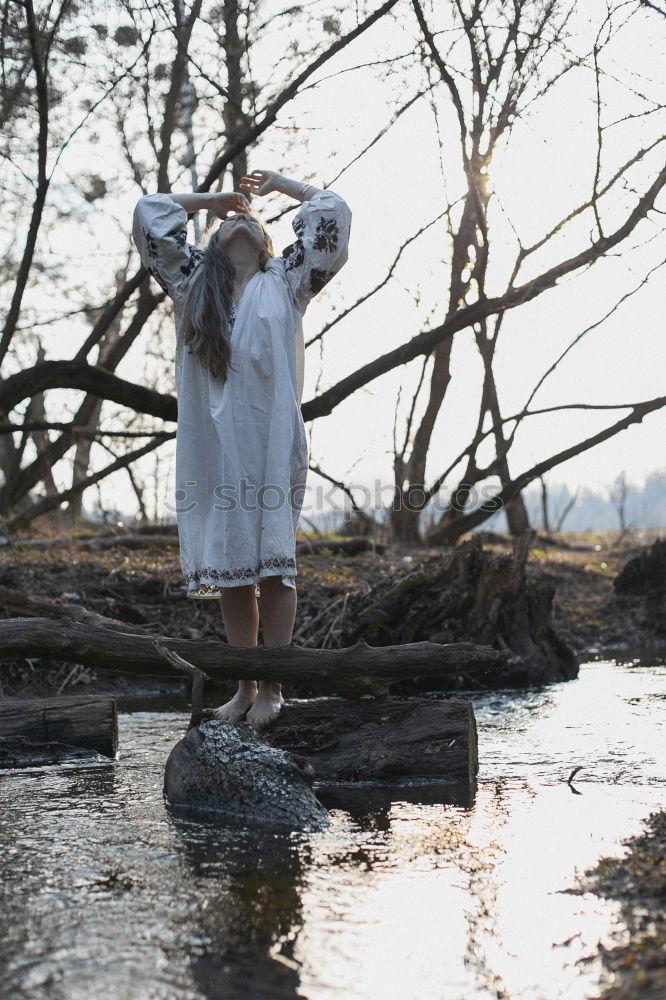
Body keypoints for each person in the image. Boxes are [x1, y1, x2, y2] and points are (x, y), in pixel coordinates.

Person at [132, 169, 351, 727]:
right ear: (211, 242)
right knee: (233, 570)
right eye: (227, 221)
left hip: (271, 444)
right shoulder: (190, 284)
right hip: (216, 452)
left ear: (268, 242)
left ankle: (276, 687)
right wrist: (211, 199)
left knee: (275, 569)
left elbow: (333, 215)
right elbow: (150, 212)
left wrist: (282, 186)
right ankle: (244, 686)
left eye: (247, 219)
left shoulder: (288, 282)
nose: (237, 220)